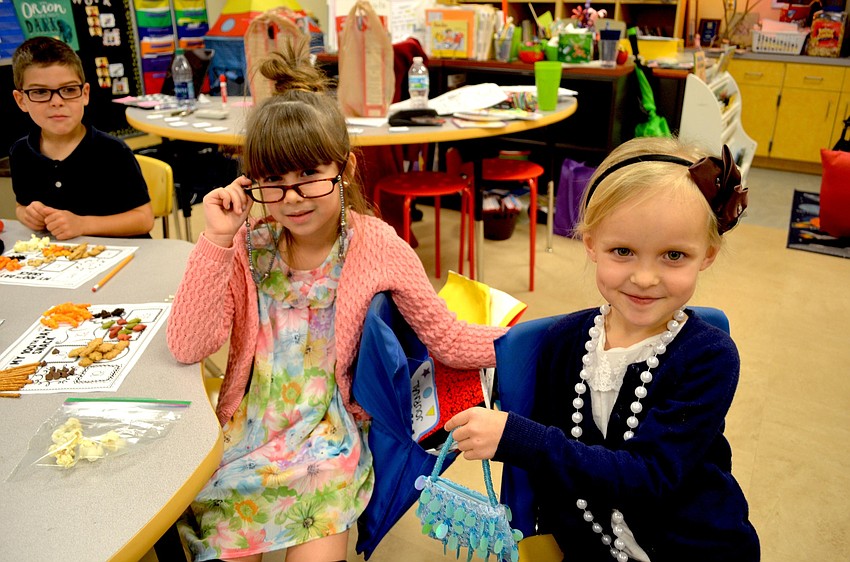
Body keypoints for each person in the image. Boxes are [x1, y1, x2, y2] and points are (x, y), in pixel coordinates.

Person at [166, 35, 506, 562]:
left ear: (343, 169)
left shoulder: (376, 245)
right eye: (272, 181)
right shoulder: (248, 243)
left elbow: (447, 338)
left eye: (309, 176)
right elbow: (189, 344)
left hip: (328, 436)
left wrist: (541, 341)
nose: (292, 197)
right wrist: (214, 240)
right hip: (245, 432)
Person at [446, 137, 759, 561]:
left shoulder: (710, 356)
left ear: (708, 254)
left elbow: (650, 477)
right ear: (591, 244)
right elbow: (548, 460)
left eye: (673, 255)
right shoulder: (563, 343)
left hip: (693, 546)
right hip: (587, 545)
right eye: (623, 251)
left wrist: (516, 437)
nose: (645, 278)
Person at [10, 37, 153, 240]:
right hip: (61, 261)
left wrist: (82, 224)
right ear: (21, 100)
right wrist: (28, 215)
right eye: (40, 92)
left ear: (84, 94)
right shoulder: (20, 152)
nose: (57, 102)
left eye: (68, 90)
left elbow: (144, 219)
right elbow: (20, 206)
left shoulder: (112, 152)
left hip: (121, 256)